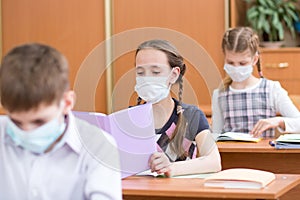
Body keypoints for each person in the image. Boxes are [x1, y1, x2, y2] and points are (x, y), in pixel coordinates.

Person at [0, 43, 122, 199]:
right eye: (16, 122)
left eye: (39, 122)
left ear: (67, 103)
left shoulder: (99, 146)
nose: (26, 132)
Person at [133, 39, 221, 177]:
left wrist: (171, 168)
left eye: (155, 72)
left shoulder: (192, 116)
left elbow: (214, 161)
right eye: (140, 72)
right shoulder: (128, 119)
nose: (147, 79)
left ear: (174, 75)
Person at [212, 26, 300, 138]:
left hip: (264, 155)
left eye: (242, 63)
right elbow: (215, 135)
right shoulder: (219, 95)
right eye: (230, 62)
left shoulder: (272, 89)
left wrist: (278, 121)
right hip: (232, 155)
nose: (236, 68)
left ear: (254, 60)